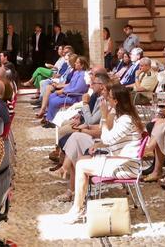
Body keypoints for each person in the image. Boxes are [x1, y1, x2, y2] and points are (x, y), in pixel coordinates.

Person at [58, 84, 145, 222]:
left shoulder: (126, 120)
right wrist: (98, 144)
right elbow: (111, 139)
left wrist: (104, 116)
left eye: (109, 97)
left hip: (126, 165)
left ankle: (77, 209)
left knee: (81, 166)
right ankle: (80, 204)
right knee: (82, 160)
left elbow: (107, 138)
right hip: (119, 160)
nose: (107, 100)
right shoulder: (123, 117)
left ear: (116, 101)